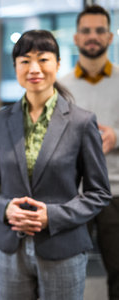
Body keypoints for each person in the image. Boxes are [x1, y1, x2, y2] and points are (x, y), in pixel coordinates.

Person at [0, 30, 111, 300]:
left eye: (43, 59)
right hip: (9, 249)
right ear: (15, 67)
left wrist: (53, 215)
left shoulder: (81, 123)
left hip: (63, 246)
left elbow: (99, 193)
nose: (34, 68)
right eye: (25, 61)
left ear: (58, 64)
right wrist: (6, 209)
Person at [59, 5, 119, 299]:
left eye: (99, 31)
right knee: (67, 275)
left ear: (110, 37)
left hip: (116, 194)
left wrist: (115, 136)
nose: (92, 36)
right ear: (76, 37)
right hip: (74, 196)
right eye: (86, 31)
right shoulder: (61, 87)